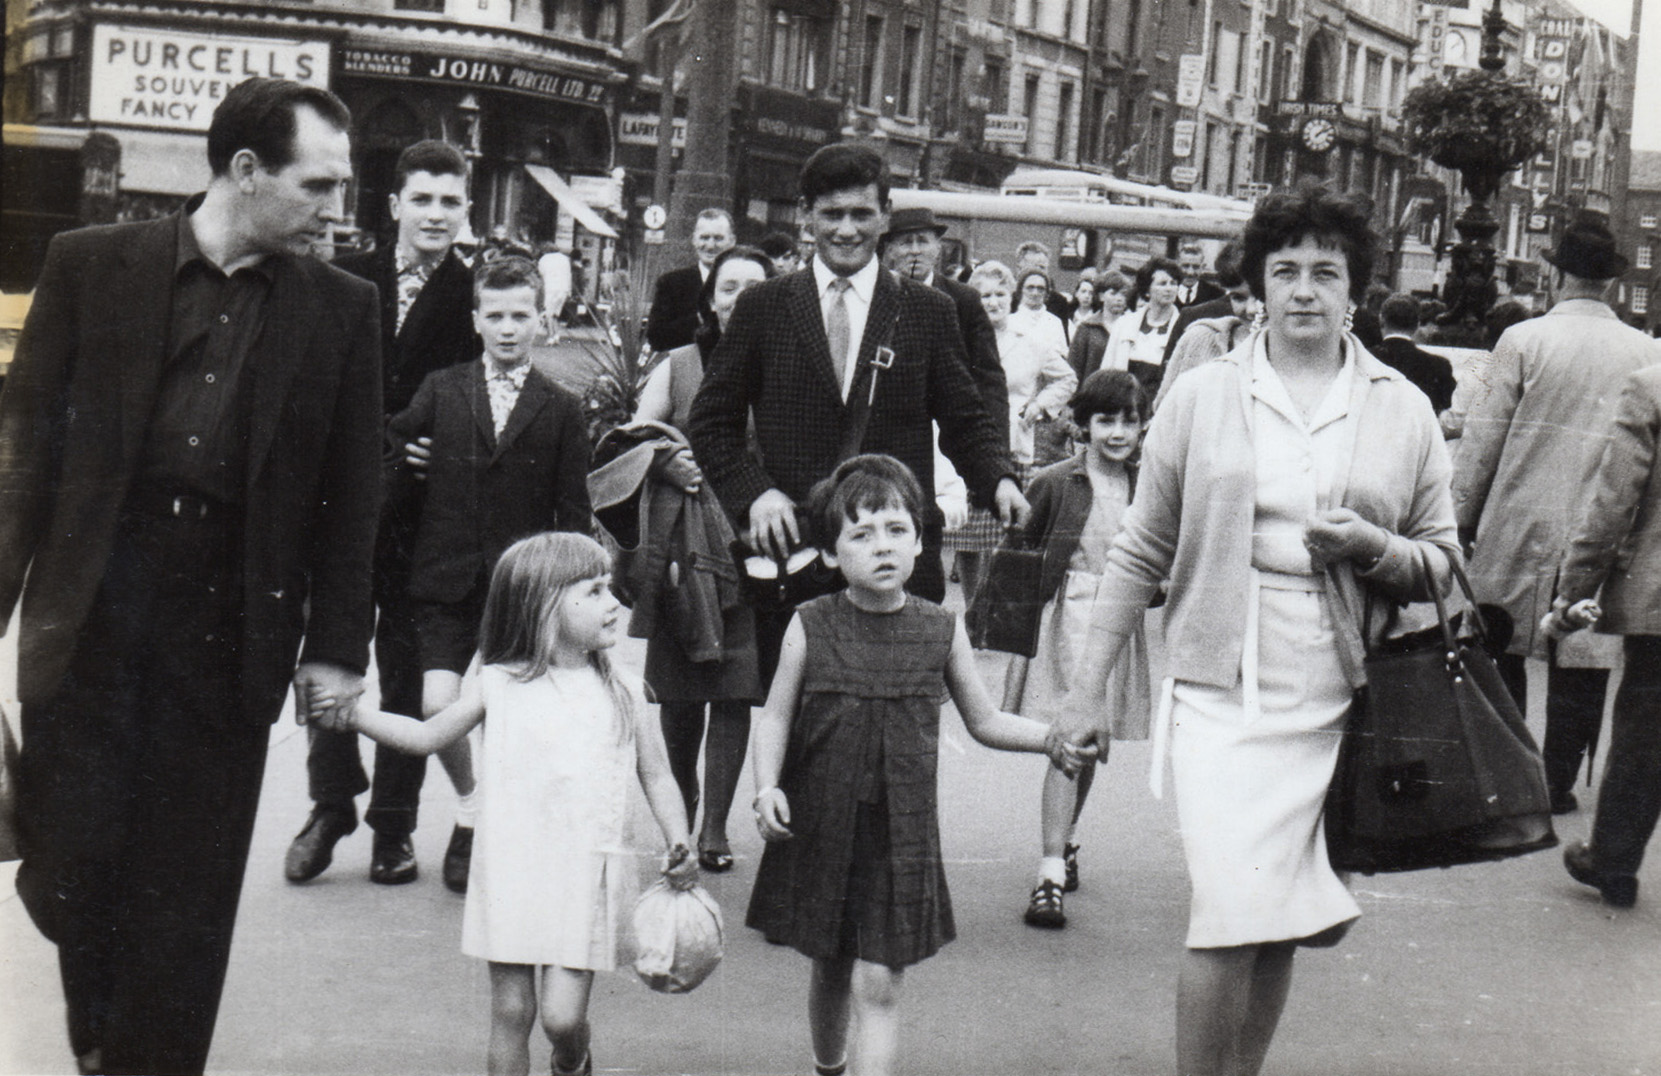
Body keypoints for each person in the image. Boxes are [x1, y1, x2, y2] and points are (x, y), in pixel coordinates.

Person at [0, 77, 382, 1076]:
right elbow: (23, 456)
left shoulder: (343, 310)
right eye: (321, 185)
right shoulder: (89, 266)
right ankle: (102, 1023)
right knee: (72, 870)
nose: (337, 209)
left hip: (227, 630)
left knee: (185, 893)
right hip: (91, 611)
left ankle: (143, 1059)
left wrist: (337, 648)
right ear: (245, 171)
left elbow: (353, 493)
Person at [1053, 182, 1459, 1076]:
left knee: (1277, 915)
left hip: (1336, 691)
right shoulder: (1200, 395)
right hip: (1217, 686)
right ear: (1256, 286)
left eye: (1326, 271)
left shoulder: (1399, 405)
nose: (1304, 289)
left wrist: (1374, 547)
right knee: (1228, 910)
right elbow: (1139, 550)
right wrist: (1085, 693)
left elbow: (1442, 562)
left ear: (1357, 288)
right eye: (1285, 271)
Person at [746, 454, 1089, 1076]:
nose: (883, 546)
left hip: (900, 832)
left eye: (897, 530)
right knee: (829, 969)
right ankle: (829, 1067)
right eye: (861, 533)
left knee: (881, 982)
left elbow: (985, 720)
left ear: (921, 541)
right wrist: (766, 786)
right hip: (822, 825)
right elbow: (774, 717)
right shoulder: (809, 625)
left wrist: (1051, 739)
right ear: (830, 554)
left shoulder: (940, 628)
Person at [314, 531, 698, 1076]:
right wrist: (355, 717)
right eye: (594, 591)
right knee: (512, 1011)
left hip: (585, 876)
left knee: (561, 1019)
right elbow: (428, 737)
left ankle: (574, 1058)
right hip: (513, 872)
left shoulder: (626, 691)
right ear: (542, 607)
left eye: (609, 587)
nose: (613, 604)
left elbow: (657, 775)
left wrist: (678, 838)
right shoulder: (498, 684)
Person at [687, 141, 1026, 680]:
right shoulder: (763, 307)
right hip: (795, 557)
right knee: (801, 734)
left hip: (897, 558)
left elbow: (966, 420)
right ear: (805, 216)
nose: (847, 229)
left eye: (862, 214)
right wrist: (755, 493)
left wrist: (999, 481)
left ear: (885, 217)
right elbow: (709, 422)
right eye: (832, 214)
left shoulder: (930, 311)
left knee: (900, 729)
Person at [287, 137, 480, 890]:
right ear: (395, 206)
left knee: (405, 670)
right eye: (422, 199)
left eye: (450, 201)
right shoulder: (344, 279)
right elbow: (315, 389)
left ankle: (392, 829)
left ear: (466, 211)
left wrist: (449, 446)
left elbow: (480, 396)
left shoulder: (473, 296)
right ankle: (330, 803)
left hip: (426, 518)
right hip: (339, 502)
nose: (435, 214)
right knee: (329, 649)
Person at [387, 256, 593, 892]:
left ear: (542, 319)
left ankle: (494, 832)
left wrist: (571, 590)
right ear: (475, 320)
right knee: (436, 705)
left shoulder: (561, 407)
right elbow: (388, 444)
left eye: (520, 316)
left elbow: (573, 514)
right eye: (495, 316)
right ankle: (471, 804)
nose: (507, 329)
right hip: (445, 577)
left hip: (521, 590)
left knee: (514, 719)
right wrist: (403, 451)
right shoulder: (443, 388)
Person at [1452, 210, 1661, 814]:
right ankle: (1558, 780)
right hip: (1602, 525)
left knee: (1502, 644)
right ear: (1613, 285)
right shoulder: (1645, 350)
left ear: (1557, 277)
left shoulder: (1519, 341)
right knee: (1582, 654)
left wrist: (1460, 520)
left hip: (1520, 517)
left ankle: (1509, 770)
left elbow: (1484, 437)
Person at [630, 245, 773, 872]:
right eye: (727, 286)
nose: (739, 297)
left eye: (754, 287)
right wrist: (663, 456)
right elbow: (632, 439)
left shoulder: (789, 366)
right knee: (685, 687)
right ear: (709, 299)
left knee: (737, 689)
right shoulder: (679, 365)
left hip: (757, 546)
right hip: (685, 548)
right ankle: (682, 807)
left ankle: (715, 824)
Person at [1004, 371, 1153, 929]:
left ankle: (1063, 843)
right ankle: (1048, 873)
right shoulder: (1056, 480)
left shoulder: (1148, 484)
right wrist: (1013, 627)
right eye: (1105, 420)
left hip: (1119, 622)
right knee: (1069, 736)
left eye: (1129, 421)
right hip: (1070, 615)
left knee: (1090, 741)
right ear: (1081, 426)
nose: (1117, 433)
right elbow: (1019, 550)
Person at [1544, 362, 1661, 909]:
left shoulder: (1652, 384)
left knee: (1646, 730)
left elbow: (1614, 500)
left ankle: (1613, 860)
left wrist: (1576, 587)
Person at [880, 205, 1009, 446]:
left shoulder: (964, 300)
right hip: (889, 431)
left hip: (949, 433)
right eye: (906, 243)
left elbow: (989, 379)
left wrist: (995, 448)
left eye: (923, 242)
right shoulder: (875, 296)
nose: (915, 251)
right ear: (890, 250)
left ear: (937, 248)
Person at [1150, 270, 1256, 413]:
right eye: (1238, 298)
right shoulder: (1201, 336)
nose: (1251, 309)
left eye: (1261, 296)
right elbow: (1165, 412)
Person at [645, 207, 735, 352]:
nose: (710, 246)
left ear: (732, 241)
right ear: (694, 239)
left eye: (718, 238)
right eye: (704, 238)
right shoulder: (671, 283)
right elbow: (655, 338)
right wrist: (700, 319)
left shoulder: (745, 283)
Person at [1371, 293, 1456, 435]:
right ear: (1417, 324)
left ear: (1381, 320)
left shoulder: (1363, 357)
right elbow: (1448, 410)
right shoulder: (1439, 365)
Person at [1103, 256, 1182, 394]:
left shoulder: (1183, 328)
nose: (1169, 288)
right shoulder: (1124, 323)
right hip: (1124, 404)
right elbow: (1107, 370)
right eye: (1162, 284)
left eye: (1173, 283)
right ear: (1147, 290)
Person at [1011, 240, 1074, 322]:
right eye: (1035, 267)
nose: (1039, 273)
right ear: (1019, 269)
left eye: (1043, 268)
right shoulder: (1007, 298)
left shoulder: (1058, 302)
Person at [538, 243, 574, 342]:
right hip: (563, 288)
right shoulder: (565, 259)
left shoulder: (544, 259)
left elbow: (541, 274)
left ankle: (550, 336)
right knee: (555, 314)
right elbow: (568, 274)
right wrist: (569, 291)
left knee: (549, 313)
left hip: (550, 287)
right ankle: (556, 334)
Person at [1175, 244, 1223, 308]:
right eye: (1185, 266)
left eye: (1196, 267)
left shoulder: (1216, 295)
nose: (1190, 272)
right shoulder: (1167, 290)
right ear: (1177, 266)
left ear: (1203, 268)